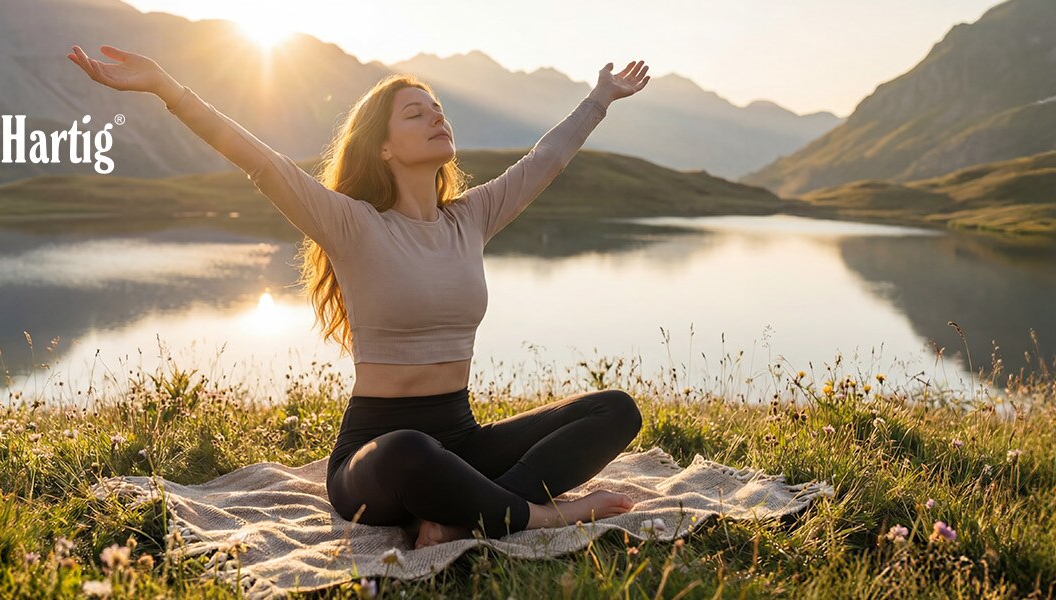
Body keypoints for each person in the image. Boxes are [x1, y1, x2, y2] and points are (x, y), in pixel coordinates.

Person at [66, 44, 654, 548]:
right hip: (375, 457)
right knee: (409, 450)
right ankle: (540, 515)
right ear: (383, 148)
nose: (436, 117)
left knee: (616, 410)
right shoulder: (353, 225)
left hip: (462, 442)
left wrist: (600, 97)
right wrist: (166, 87)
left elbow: (547, 160)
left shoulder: (470, 218)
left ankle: (461, 515)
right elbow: (260, 162)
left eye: (438, 109)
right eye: (415, 113)